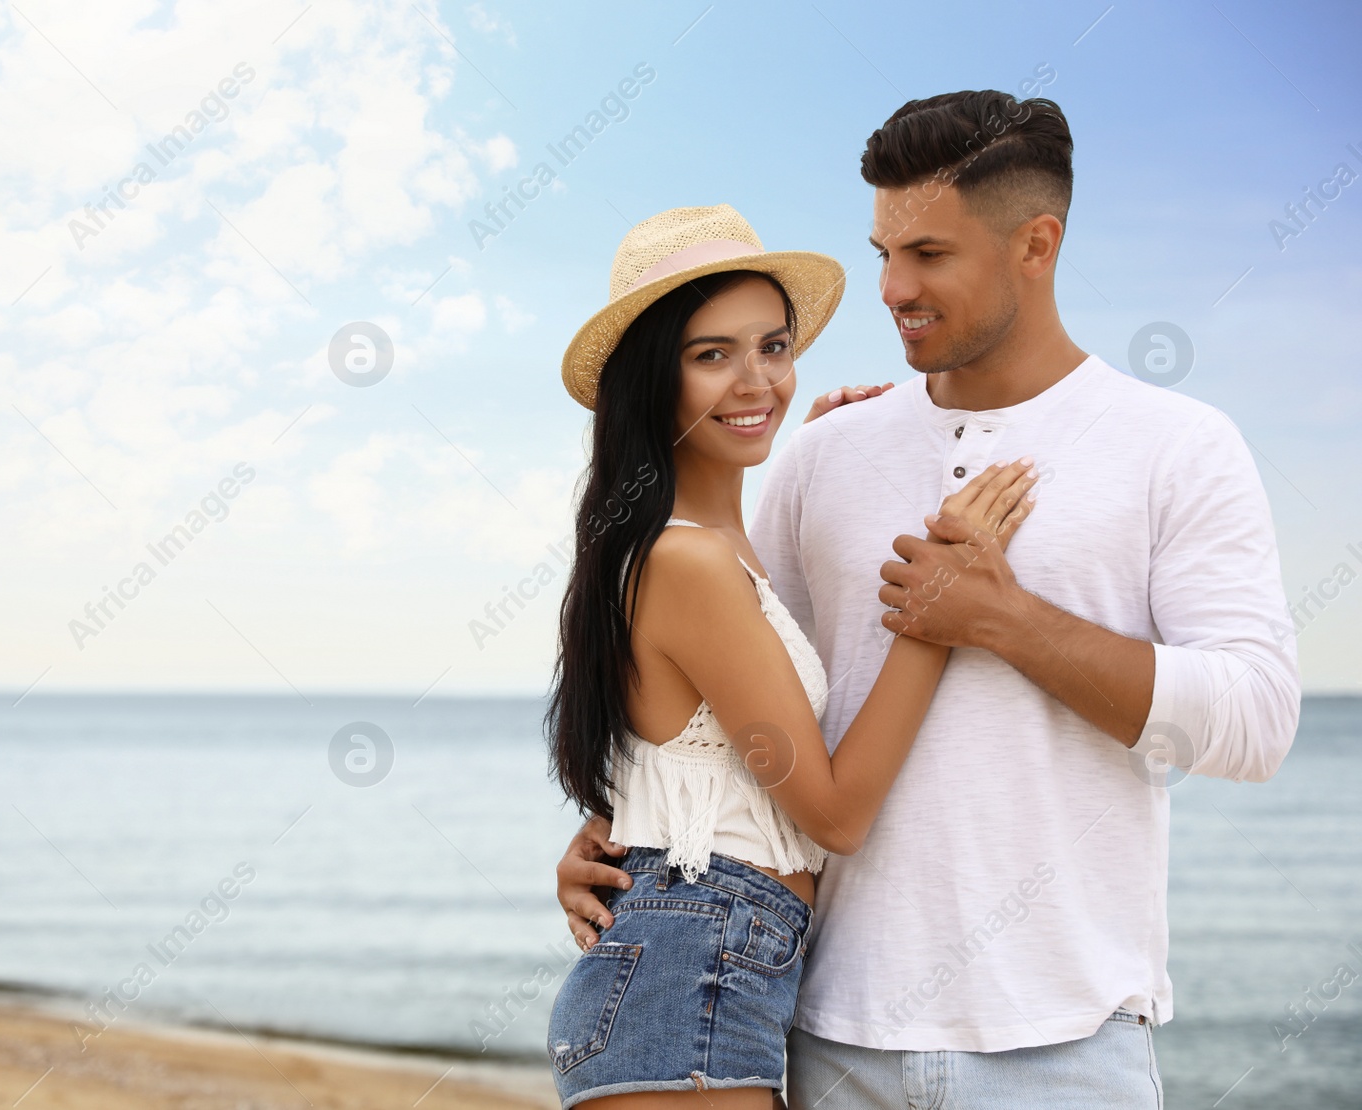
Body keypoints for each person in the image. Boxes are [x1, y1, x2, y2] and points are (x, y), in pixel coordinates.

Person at [556, 91, 1301, 1108]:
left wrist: (1003, 620)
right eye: (881, 252)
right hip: (826, 1029)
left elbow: (1254, 723)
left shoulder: (1175, 446)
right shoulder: (822, 450)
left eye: (929, 256)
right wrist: (626, 831)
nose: (892, 287)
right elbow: (748, 711)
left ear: (1035, 244)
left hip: (1063, 1041)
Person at [543, 203, 1039, 1108]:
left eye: (772, 347)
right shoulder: (687, 562)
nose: (756, 381)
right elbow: (836, 813)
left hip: (708, 972)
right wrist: (936, 608)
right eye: (712, 355)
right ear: (653, 378)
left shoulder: (707, 546)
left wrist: (826, 454)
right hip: (693, 979)